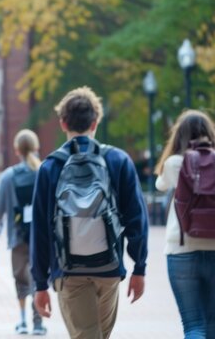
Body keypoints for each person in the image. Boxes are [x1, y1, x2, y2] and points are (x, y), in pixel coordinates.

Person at [31, 87, 148, 339]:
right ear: (95, 122)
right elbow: (137, 218)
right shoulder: (118, 160)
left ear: (63, 123)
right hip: (108, 268)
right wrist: (139, 266)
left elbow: (39, 230)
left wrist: (40, 283)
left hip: (67, 270)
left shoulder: (50, 167)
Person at [155, 110, 215, 338]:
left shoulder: (174, 164)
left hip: (181, 251)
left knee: (193, 323)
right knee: (214, 320)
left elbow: (159, 185)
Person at [0, 129, 46, 335]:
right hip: (41, 238)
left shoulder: (8, 176)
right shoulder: (44, 171)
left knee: (21, 279)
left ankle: (22, 321)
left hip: (18, 235)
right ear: (37, 147)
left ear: (16, 150)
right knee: (39, 279)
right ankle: (38, 322)